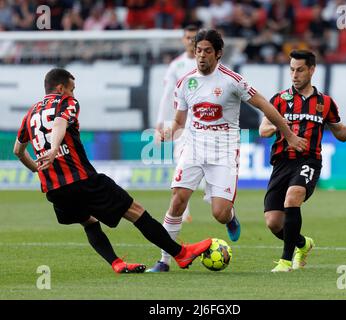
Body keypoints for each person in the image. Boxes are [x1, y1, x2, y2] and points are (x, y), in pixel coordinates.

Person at [13, 68, 212, 274]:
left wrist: (38, 170)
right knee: (135, 211)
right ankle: (181, 253)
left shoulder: (30, 115)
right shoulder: (66, 102)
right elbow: (59, 122)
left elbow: (18, 150)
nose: (74, 94)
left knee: (88, 222)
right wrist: (54, 148)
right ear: (61, 88)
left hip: (54, 189)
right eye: (72, 89)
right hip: (81, 179)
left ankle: (116, 263)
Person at [147, 29, 307, 273]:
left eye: (207, 51)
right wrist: (168, 132)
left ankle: (230, 218)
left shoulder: (233, 81)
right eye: (198, 50)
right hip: (193, 147)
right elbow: (180, 122)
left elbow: (265, 105)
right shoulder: (185, 82)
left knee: (219, 213)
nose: (201, 56)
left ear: (218, 53)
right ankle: (164, 260)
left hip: (224, 151)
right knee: (178, 199)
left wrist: (290, 135)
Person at [259, 50, 346, 272]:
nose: (294, 75)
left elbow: (340, 134)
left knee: (293, 196)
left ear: (311, 70)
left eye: (299, 70)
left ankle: (285, 261)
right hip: (282, 163)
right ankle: (303, 243)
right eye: (291, 70)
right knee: (273, 222)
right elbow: (263, 129)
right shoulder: (279, 100)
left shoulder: (325, 103)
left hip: (308, 161)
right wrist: (279, 125)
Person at [155, 25, 199, 227]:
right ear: (183, 40)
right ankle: (184, 209)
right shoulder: (176, 65)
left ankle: (217, 199)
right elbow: (166, 95)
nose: (191, 41)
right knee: (181, 161)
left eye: (194, 37)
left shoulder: (210, 63)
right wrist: (160, 121)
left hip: (205, 123)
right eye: (188, 37)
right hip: (182, 122)